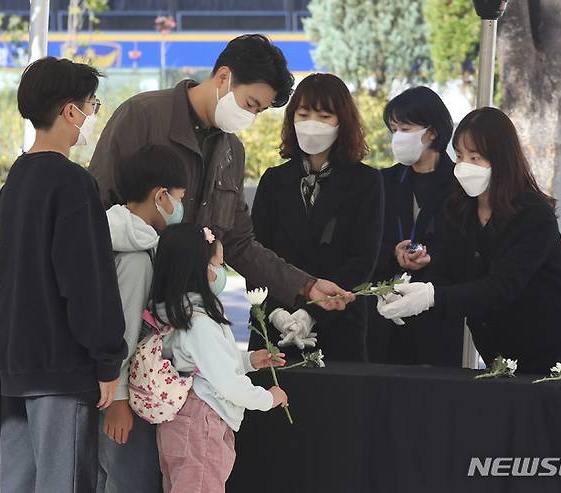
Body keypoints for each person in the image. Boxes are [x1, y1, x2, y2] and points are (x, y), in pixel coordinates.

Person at [88, 34, 353, 313]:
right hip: (127, 299)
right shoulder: (142, 116)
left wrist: (306, 285)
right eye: (250, 103)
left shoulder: (232, 152)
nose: (250, 116)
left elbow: (239, 242)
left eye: (259, 111)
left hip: (187, 311)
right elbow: (96, 208)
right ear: (224, 76)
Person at [377, 107, 561, 376]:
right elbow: (449, 272)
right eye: (459, 156)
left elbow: (502, 286)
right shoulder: (458, 209)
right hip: (499, 352)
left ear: (501, 160)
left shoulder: (532, 213)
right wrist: (404, 289)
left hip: (555, 350)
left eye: (475, 157)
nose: (464, 165)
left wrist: (431, 297)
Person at [0, 56, 127, 493]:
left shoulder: (17, 178)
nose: (93, 114)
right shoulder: (72, 182)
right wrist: (108, 359)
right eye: (92, 104)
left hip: (16, 367)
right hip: (61, 366)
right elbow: (87, 280)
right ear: (71, 110)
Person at [247, 73, 383, 361]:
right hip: (274, 329)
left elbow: (362, 262)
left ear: (342, 122)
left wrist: (311, 313)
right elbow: (254, 253)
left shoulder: (366, 182)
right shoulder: (273, 180)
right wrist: (276, 314)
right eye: (304, 114)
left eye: (324, 116)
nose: (312, 124)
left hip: (338, 327)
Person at [150, 223, 288, 493]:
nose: (222, 273)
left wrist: (248, 360)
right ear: (200, 270)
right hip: (202, 421)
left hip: (181, 422)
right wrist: (269, 398)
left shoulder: (177, 312)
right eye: (220, 265)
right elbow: (227, 384)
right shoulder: (199, 322)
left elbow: (204, 361)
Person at [98, 145, 188, 493]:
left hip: (120, 390)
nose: (180, 207)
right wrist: (120, 400)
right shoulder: (135, 256)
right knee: (126, 480)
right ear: (161, 195)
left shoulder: (132, 236)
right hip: (122, 396)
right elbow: (122, 331)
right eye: (179, 198)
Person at [367, 86, 464, 366]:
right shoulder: (382, 182)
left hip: (438, 318)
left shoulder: (460, 184)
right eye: (394, 129)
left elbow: (467, 249)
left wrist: (432, 257)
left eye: (406, 128)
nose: (398, 137)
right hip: (385, 316)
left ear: (431, 131)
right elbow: (365, 245)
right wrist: (392, 254)